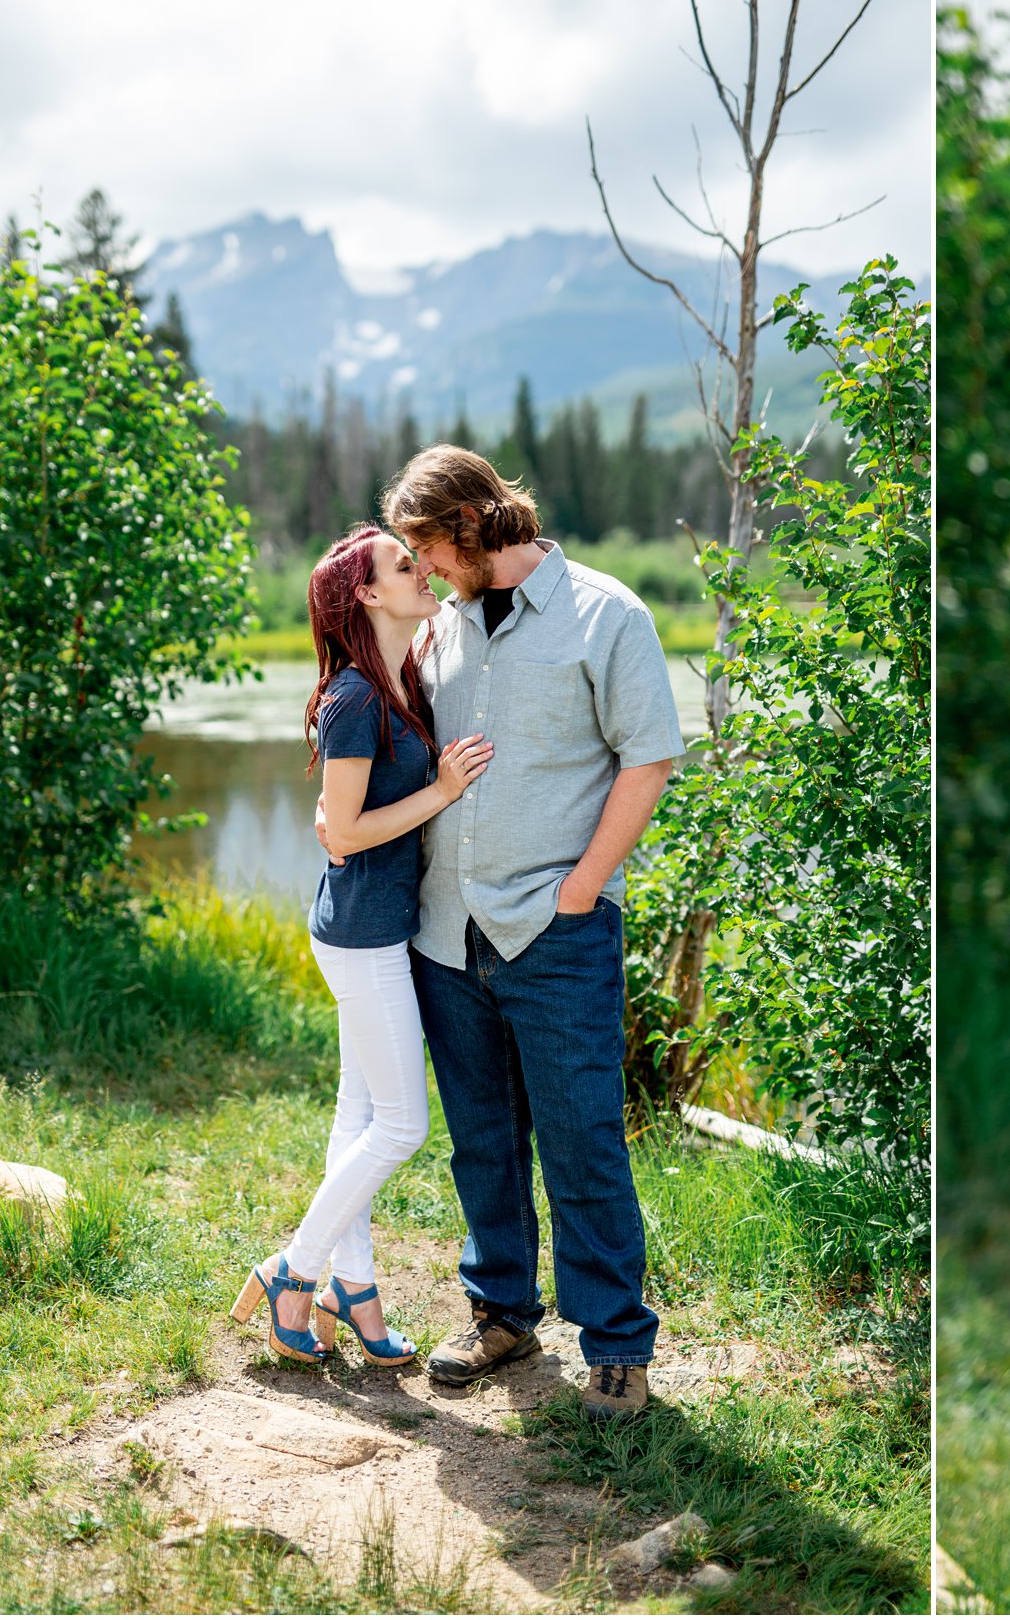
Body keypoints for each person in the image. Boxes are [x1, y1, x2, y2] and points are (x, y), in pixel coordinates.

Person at [322, 445, 682, 1422]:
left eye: (429, 546)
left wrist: (583, 888)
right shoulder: (437, 630)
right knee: (480, 1141)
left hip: (555, 929)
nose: (423, 567)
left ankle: (615, 1344)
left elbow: (647, 759)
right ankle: (500, 1309)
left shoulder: (606, 614)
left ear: (475, 526)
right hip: (443, 934)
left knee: (582, 1142)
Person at [233, 526, 492, 1366]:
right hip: (362, 938)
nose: (420, 570)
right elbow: (344, 826)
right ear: (368, 596)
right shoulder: (354, 697)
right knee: (402, 1125)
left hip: (379, 927)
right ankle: (294, 1271)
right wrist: (445, 791)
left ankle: (357, 1290)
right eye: (401, 564)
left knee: (356, 1117)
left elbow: (337, 825)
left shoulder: (398, 679)